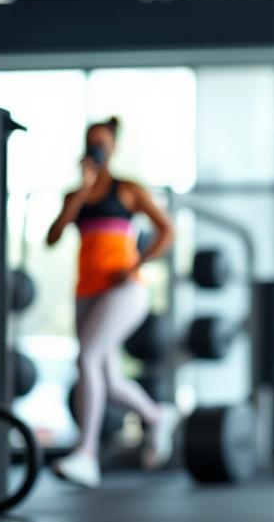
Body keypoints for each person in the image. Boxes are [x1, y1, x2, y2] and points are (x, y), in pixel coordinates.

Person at [45, 116, 178, 487]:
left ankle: (86, 455)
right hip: (86, 292)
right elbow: (52, 237)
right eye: (91, 143)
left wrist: (137, 262)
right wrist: (82, 191)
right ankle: (156, 416)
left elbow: (168, 230)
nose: (96, 150)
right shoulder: (76, 196)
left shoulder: (128, 190)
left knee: (86, 358)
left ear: (113, 148)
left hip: (124, 289)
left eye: (102, 144)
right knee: (108, 377)